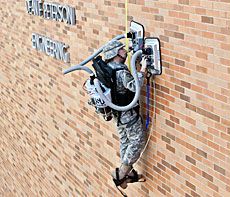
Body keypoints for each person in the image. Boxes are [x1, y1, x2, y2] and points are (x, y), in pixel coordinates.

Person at [103, 40, 147, 189]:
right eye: (122, 48)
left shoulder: (108, 68)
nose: (125, 50)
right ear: (116, 53)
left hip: (118, 113)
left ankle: (128, 173)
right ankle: (121, 174)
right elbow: (135, 86)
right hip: (127, 113)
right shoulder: (120, 71)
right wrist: (143, 70)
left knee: (125, 141)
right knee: (137, 141)